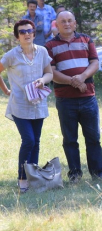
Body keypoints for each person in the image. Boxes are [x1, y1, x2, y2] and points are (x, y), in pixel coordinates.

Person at [45, 11, 102, 183]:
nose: (66, 24)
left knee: (93, 138)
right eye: (62, 21)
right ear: (57, 25)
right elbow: (51, 72)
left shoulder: (86, 40)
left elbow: (95, 62)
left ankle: (98, 174)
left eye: (70, 20)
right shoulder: (50, 46)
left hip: (88, 98)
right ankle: (75, 175)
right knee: (70, 139)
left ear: (75, 23)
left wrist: (82, 77)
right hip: (65, 100)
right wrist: (74, 82)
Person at [0, 20, 53, 193]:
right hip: (20, 106)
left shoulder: (42, 51)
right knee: (28, 140)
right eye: (22, 32)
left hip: (38, 104)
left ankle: (33, 177)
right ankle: (22, 178)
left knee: (36, 142)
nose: (27, 34)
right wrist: (6, 90)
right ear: (17, 36)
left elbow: (49, 73)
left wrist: (42, 81)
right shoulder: (11, 55)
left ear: (33, 34)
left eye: (29, 31)